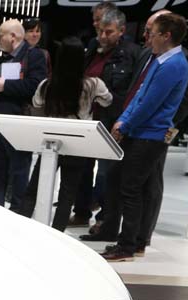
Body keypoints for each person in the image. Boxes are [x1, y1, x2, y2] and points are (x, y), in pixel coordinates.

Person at [100, 13, 188, 262]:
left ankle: (127, 246)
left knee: (131, 189)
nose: (148, 37)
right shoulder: (161, 60)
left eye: (153, 33)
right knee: (128, 186)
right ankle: (134, 242)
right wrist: (123, 120)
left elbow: (150, 103)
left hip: (150, 135)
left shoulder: (174, 64)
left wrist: (125, 125)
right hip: (140, 131)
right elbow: (139, 95)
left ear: (166, 35)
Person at [16, 37, 112, 231]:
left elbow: (36, 103)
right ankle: (56, 234)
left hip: (51, 140)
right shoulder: (93, 85)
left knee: (34, 188)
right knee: (67, 194)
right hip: (78, 143)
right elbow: (107, 101)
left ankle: (21, 228)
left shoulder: (47, 85)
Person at [70, 7, 138, 227]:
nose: (103, 36)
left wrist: (123, 119)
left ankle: (104, 219)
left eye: (109, 32)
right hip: (87, 117)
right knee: (82, 169)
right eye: (100, 31)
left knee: (106, 172)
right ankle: (81, 212)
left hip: (111, 119)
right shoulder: (92, 47)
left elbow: (130, 91)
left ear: (121, 31)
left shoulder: (131, 53)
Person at [0, 19, 47, 211]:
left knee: (19, 171)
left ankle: (18, 214)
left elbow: (36, 85)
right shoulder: (5, 57)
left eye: (0, 35)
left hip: (18, 124)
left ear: (13, 36)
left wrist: (6, 86)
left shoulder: (34, 56)